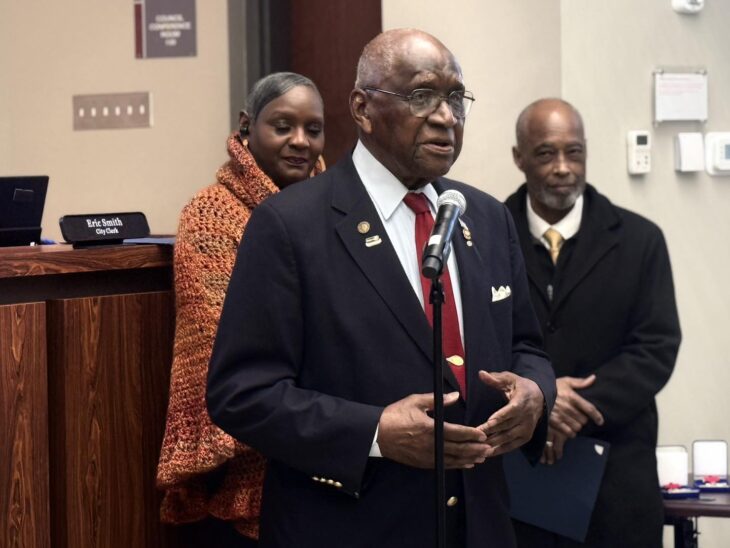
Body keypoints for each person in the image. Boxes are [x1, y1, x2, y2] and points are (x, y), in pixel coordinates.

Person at [206, 29, 556, 548]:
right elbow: (241, 394)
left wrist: (536, 395)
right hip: (351, 525)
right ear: (362, 109)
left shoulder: (484, 217)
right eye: (422, 95)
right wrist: (374, 433)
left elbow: (528, 347)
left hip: (480, 524)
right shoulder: (290, 225)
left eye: (456, 98)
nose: (446, 117)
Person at [156, 72, 325, 546]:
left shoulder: (335, 209)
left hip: (333, 447)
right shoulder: (212, 213)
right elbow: (221, 342)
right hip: (252, 461)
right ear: (247, 126)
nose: (300, 141)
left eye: (313, 129)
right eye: (283, 126)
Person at [505, 98, 681, 548]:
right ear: (519, 157)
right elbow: (470, 340)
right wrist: (541, 397)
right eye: (546, 153)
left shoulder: (641, 240)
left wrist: (569, 405)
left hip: (616, 480)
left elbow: (655, 347)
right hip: (516, 473)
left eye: (574, 152)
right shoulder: (483, 237)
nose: (563, 168)